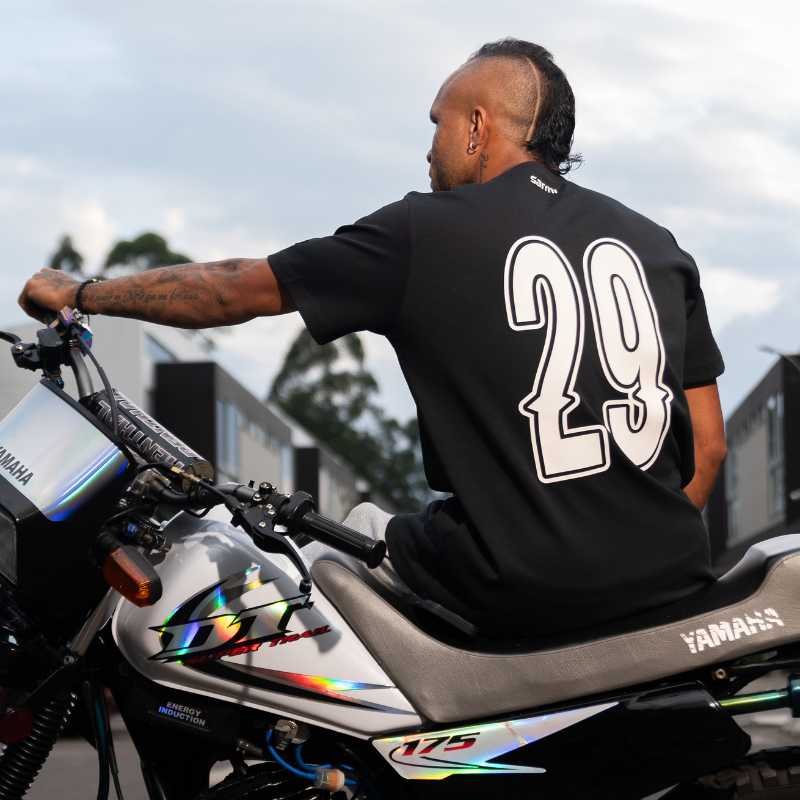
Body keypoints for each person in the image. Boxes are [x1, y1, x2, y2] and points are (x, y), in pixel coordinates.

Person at [18, 38, 725, 639]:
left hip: (512, 582)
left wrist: (81, 294)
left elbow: (233, 290)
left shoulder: (424, 231)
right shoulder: (657, 246)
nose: (429, 149)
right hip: (669, 578)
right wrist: (618, 556)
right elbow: (709, 446)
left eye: (438, 124)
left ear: (477, 129)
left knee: (327, 547)